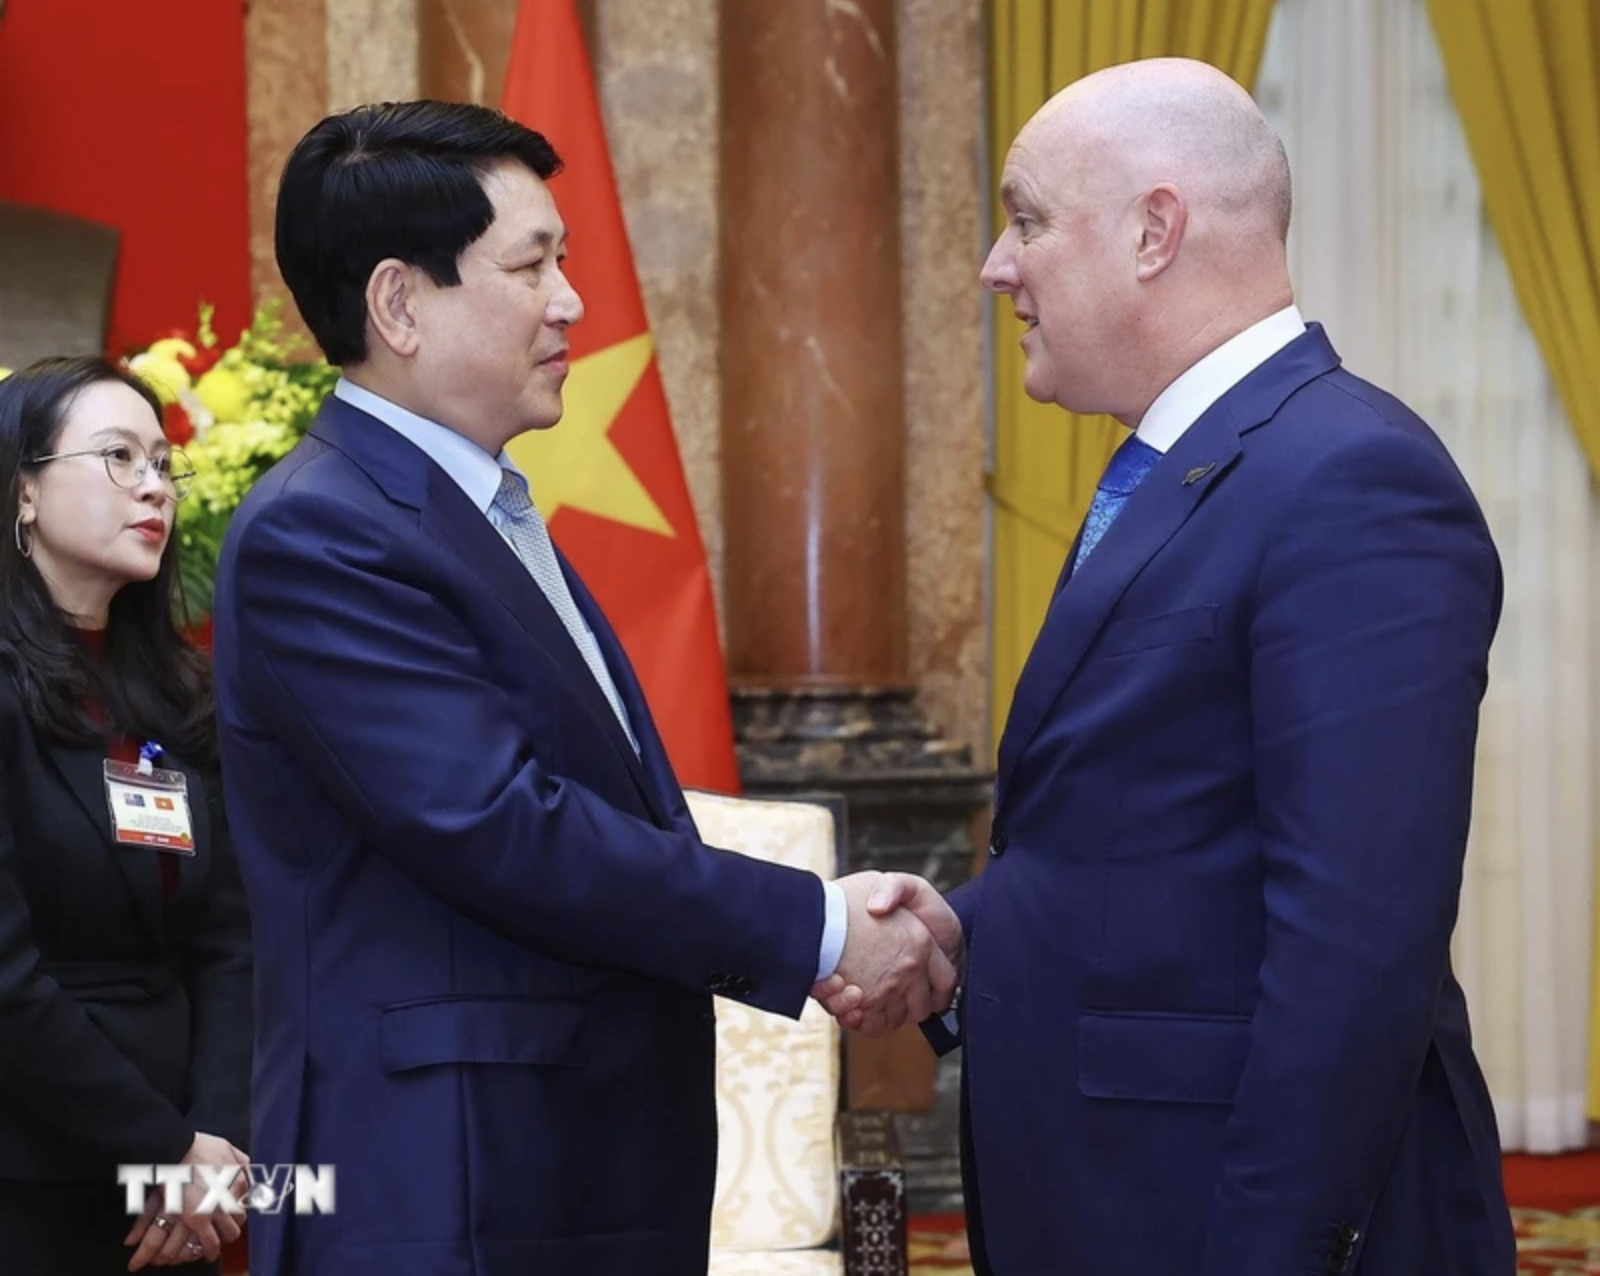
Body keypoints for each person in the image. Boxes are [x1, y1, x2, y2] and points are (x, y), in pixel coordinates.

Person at [211, 99, 955, 1276]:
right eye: (532, 265)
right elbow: (502, 827)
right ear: (400, 304)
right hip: (445, 1177)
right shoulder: (324, 535)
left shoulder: (477, 510)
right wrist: (812, 924)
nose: (571, 302)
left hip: (557, 1157)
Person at [840, 57, 1515, 1275]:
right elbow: (1155, 834)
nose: (998, 265)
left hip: (1228, 1215)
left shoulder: (1349, 479)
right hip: (1117, 1192)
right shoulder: (1183, 467)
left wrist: (1268, 1248)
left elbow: (1355, 941)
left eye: (1028, 220)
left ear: (1154, 230)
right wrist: (962, 925)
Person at [0, 357, 251, 1273]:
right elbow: (6, 980)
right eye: (118, 457)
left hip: (188, 1184)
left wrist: (214, 1146)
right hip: (31, 1173)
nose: (154, 485)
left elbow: (231, 940)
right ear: (22, 490)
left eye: (162, 462)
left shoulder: (179, 693)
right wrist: (163, 1147)